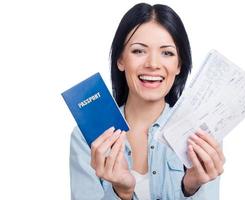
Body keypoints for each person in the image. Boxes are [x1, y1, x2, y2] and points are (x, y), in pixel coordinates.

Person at [70, 3, 225, 200]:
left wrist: (190, 188)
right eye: (138, 51)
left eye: (167, 53)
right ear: (120, 60)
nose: (152, 64)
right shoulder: (86, 137)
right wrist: (122, 192)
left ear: (179, 65)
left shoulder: (201, 134)